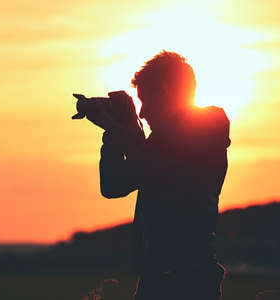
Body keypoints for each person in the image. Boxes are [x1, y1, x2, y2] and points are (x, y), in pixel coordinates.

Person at [82, 50, 230, 299]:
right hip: (189, 280)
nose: (142, 113)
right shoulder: (199, 135)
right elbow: (151, 164)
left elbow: (114, 184)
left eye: (145, 101)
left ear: (165, 91)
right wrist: (127, 130)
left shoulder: (182, 136)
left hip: (173, 284)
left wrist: (114, 134)